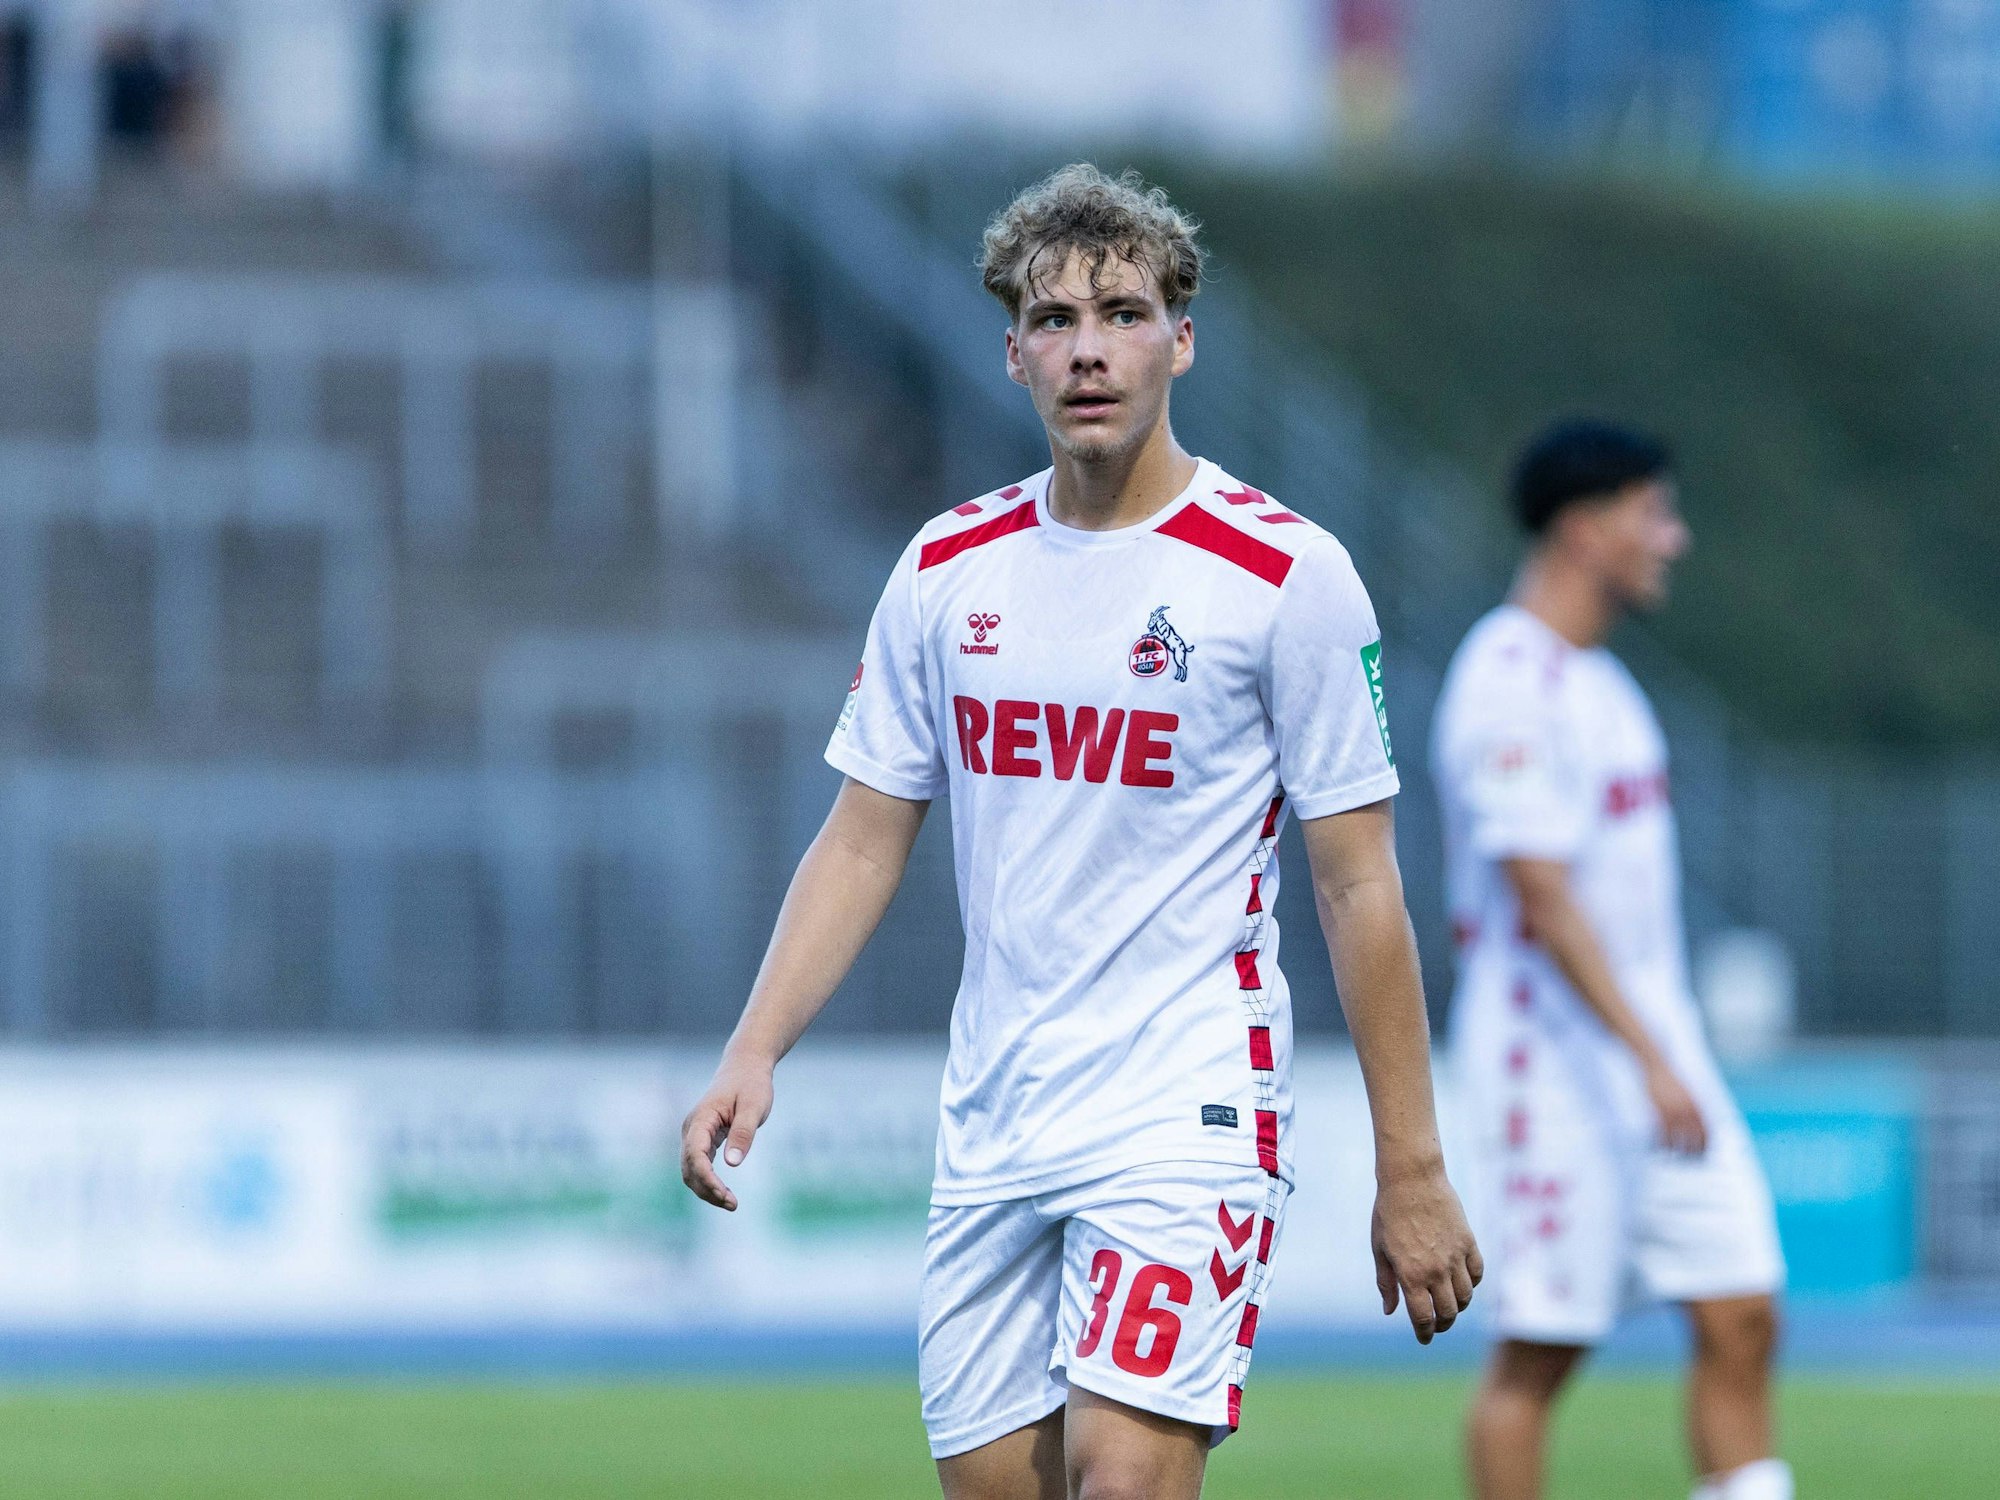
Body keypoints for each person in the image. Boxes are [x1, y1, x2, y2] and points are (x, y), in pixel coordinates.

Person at [679, 162, 1481, 1500]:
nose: (1089, 347)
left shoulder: (1286, 575)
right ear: (1012, 354)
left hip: (1185, 1104)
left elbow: (1357, 887)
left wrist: (1413, 1170)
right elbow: (865, 837)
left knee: (1124, 1485)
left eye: (1121, 312)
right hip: (996, 1111)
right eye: (1055, 319)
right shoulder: (946, 569)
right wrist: (754, 1047)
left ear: (1181, 337)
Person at [1431, 422, 1789, 1500]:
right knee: (1539, 1353)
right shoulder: (1504, 678)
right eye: (1654, 513)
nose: (1670, 540)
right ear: (1587, 529)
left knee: (1741, 1310)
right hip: (1554, 1070)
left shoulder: (1604, 688)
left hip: (1652, 1055)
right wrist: (1648, 1054)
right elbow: (1539, 897)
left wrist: (1661, 1051)